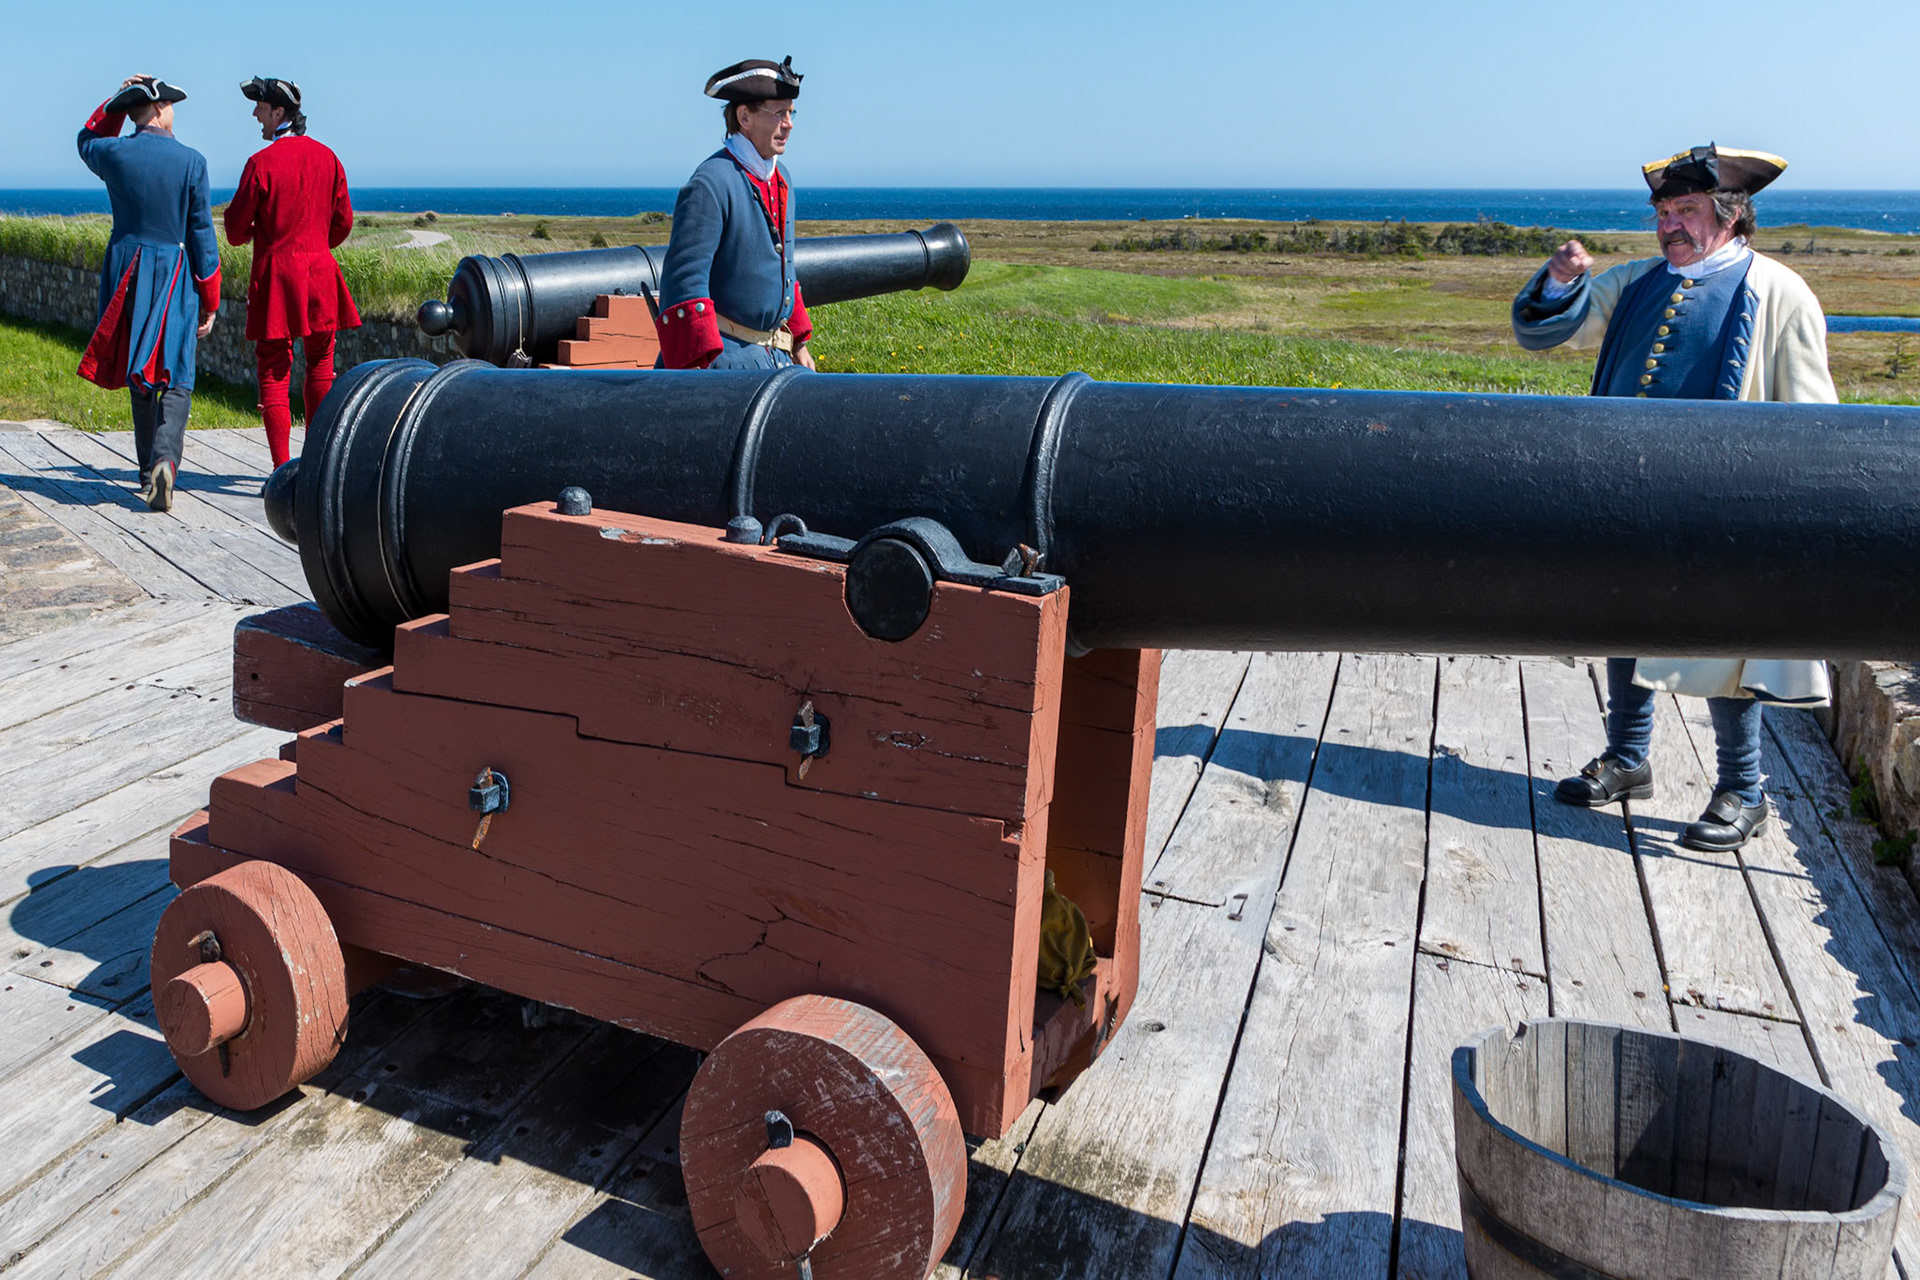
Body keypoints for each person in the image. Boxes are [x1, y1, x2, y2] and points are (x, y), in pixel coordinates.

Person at [1513, 144, 1837, 852]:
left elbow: (1816, 417)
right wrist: (1562, 277)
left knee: (1726, 643)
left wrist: (1795, 503)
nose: (1670, 225)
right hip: (1628, 496)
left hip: (1727, 505)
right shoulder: (1633, 283)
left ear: (1730, 216)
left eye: (1686, 210)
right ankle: (1627, 760)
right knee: (1624, 626)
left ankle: (1743, 791)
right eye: (1663, 212)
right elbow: (1544, 330)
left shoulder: (1779, 292)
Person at [76, 75, 221, 512]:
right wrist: (210, 299)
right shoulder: (192, 161)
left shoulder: (114, 154)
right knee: (176, 374)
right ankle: (165, 462)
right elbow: (202, 235)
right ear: (157, 109)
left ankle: (145, 473)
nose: (175, 111)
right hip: (173, 272)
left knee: (140, 373)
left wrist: (114, 103)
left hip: (126, 271)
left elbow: (86, 139)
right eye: (172, 104)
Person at [224, 77, 360, 468]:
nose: (255, 114)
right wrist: (315, 243)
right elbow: (343, 223)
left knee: (274, 370)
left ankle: (282, 469)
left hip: (275, 278)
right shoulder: (328, 158)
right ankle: (315, 465)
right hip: (319, 273)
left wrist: (262, 235)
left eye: (260, 107)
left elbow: (234, 232)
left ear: (279, 113)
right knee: (321, 364)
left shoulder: (260, 163)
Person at [654, 57, 816, 371]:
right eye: (779, 113)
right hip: (723, 365)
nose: (789, 124)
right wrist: (697, 370)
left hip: (774, 359)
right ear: (744, 117)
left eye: (791, 113)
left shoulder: (781, 180)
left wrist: (797, 342)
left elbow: (784, 268)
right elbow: (686, 283)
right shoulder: (711, 183)